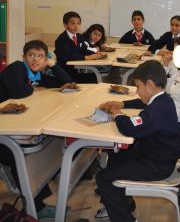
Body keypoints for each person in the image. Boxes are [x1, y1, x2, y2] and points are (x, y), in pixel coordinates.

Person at [95, 60, 180, 222]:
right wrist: (121, 104)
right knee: (116, 154)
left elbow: (130, 128)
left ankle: (124, 218)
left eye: (138, 86)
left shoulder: (156, 111)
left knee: (103, 177)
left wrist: (117, 113)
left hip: (156, 165)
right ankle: (122, 204)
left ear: (149, 85)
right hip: (158, 156)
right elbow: (142, 103)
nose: (137, 91)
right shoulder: (163, 100)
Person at [0, 40, 72, 219]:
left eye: (40, 56)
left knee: (40, 147)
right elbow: (18, 92)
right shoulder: (16, 68)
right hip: (4, 131)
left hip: (10, 125)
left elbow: (65, 82)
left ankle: (38, 201)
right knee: (18, 155)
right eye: (31, 55)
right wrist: (34, 89)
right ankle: (36, 208)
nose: (35, 60)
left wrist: (53, 66)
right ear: (23, 57)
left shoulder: (37, 75)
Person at [54, 11, 106, 83]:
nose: (76, 26)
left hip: (76, 69)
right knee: (92, 78)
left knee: (94, 76)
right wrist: (86, 57)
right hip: (66, 73)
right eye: (72, 23)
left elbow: (84, 50)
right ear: (65, 25)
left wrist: (96, 54)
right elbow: (67, 57)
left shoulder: (79, 36)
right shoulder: (61, 40)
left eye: (78, 23)